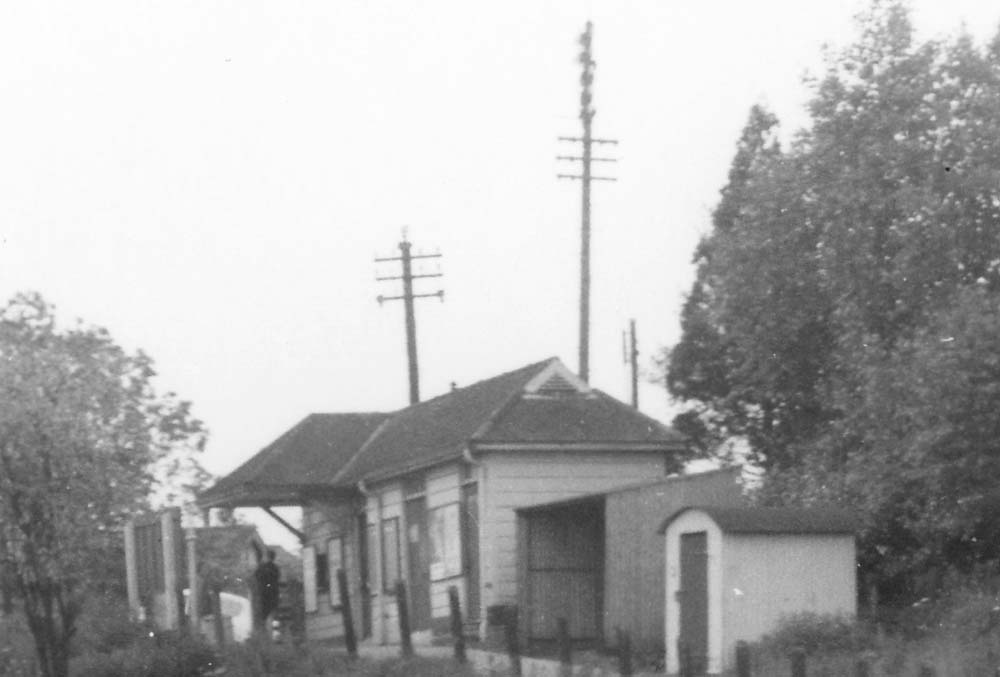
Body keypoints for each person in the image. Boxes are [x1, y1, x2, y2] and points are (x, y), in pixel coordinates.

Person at [254, 549, 280, 632]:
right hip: (273, 592)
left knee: (265, 613)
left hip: (265, 593)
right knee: (274, 613)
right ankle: (275, 633)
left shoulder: (263, 567)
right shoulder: (275, 568)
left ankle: (266, 632)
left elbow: (257, 576)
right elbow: (277, 577)